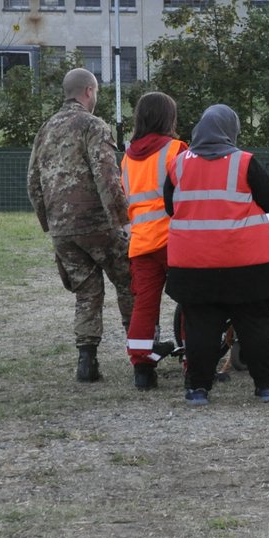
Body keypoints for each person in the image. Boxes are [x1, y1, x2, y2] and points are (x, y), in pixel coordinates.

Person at [163, 104, 269, 407]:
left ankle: (199, 389)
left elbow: (170, 207)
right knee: (256, 324)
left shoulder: (178, 165)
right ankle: (265, 387)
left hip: (193, 263)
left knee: (201, 327)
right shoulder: (244, 162)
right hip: (247, 261)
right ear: (231, 131)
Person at [26, 67, 135, 383]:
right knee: (130, 282)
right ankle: (142, 350)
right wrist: (123, 221)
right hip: (97, 224)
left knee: (87, 293)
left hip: (63, 230)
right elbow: (107, 177)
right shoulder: (93, 126)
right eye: (97, 92)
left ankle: (87, 362)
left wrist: (51, 224)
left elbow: (33, 181)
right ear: (89, 90)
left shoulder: (45, 129)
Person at [120, 91, 186, 391]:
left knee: (144, 305)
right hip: (174, 238)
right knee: (190, 301)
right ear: (168, 118)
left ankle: (142, 368)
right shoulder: (176, 150)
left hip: (140, 242)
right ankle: (193, 361)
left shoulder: (127, 157)